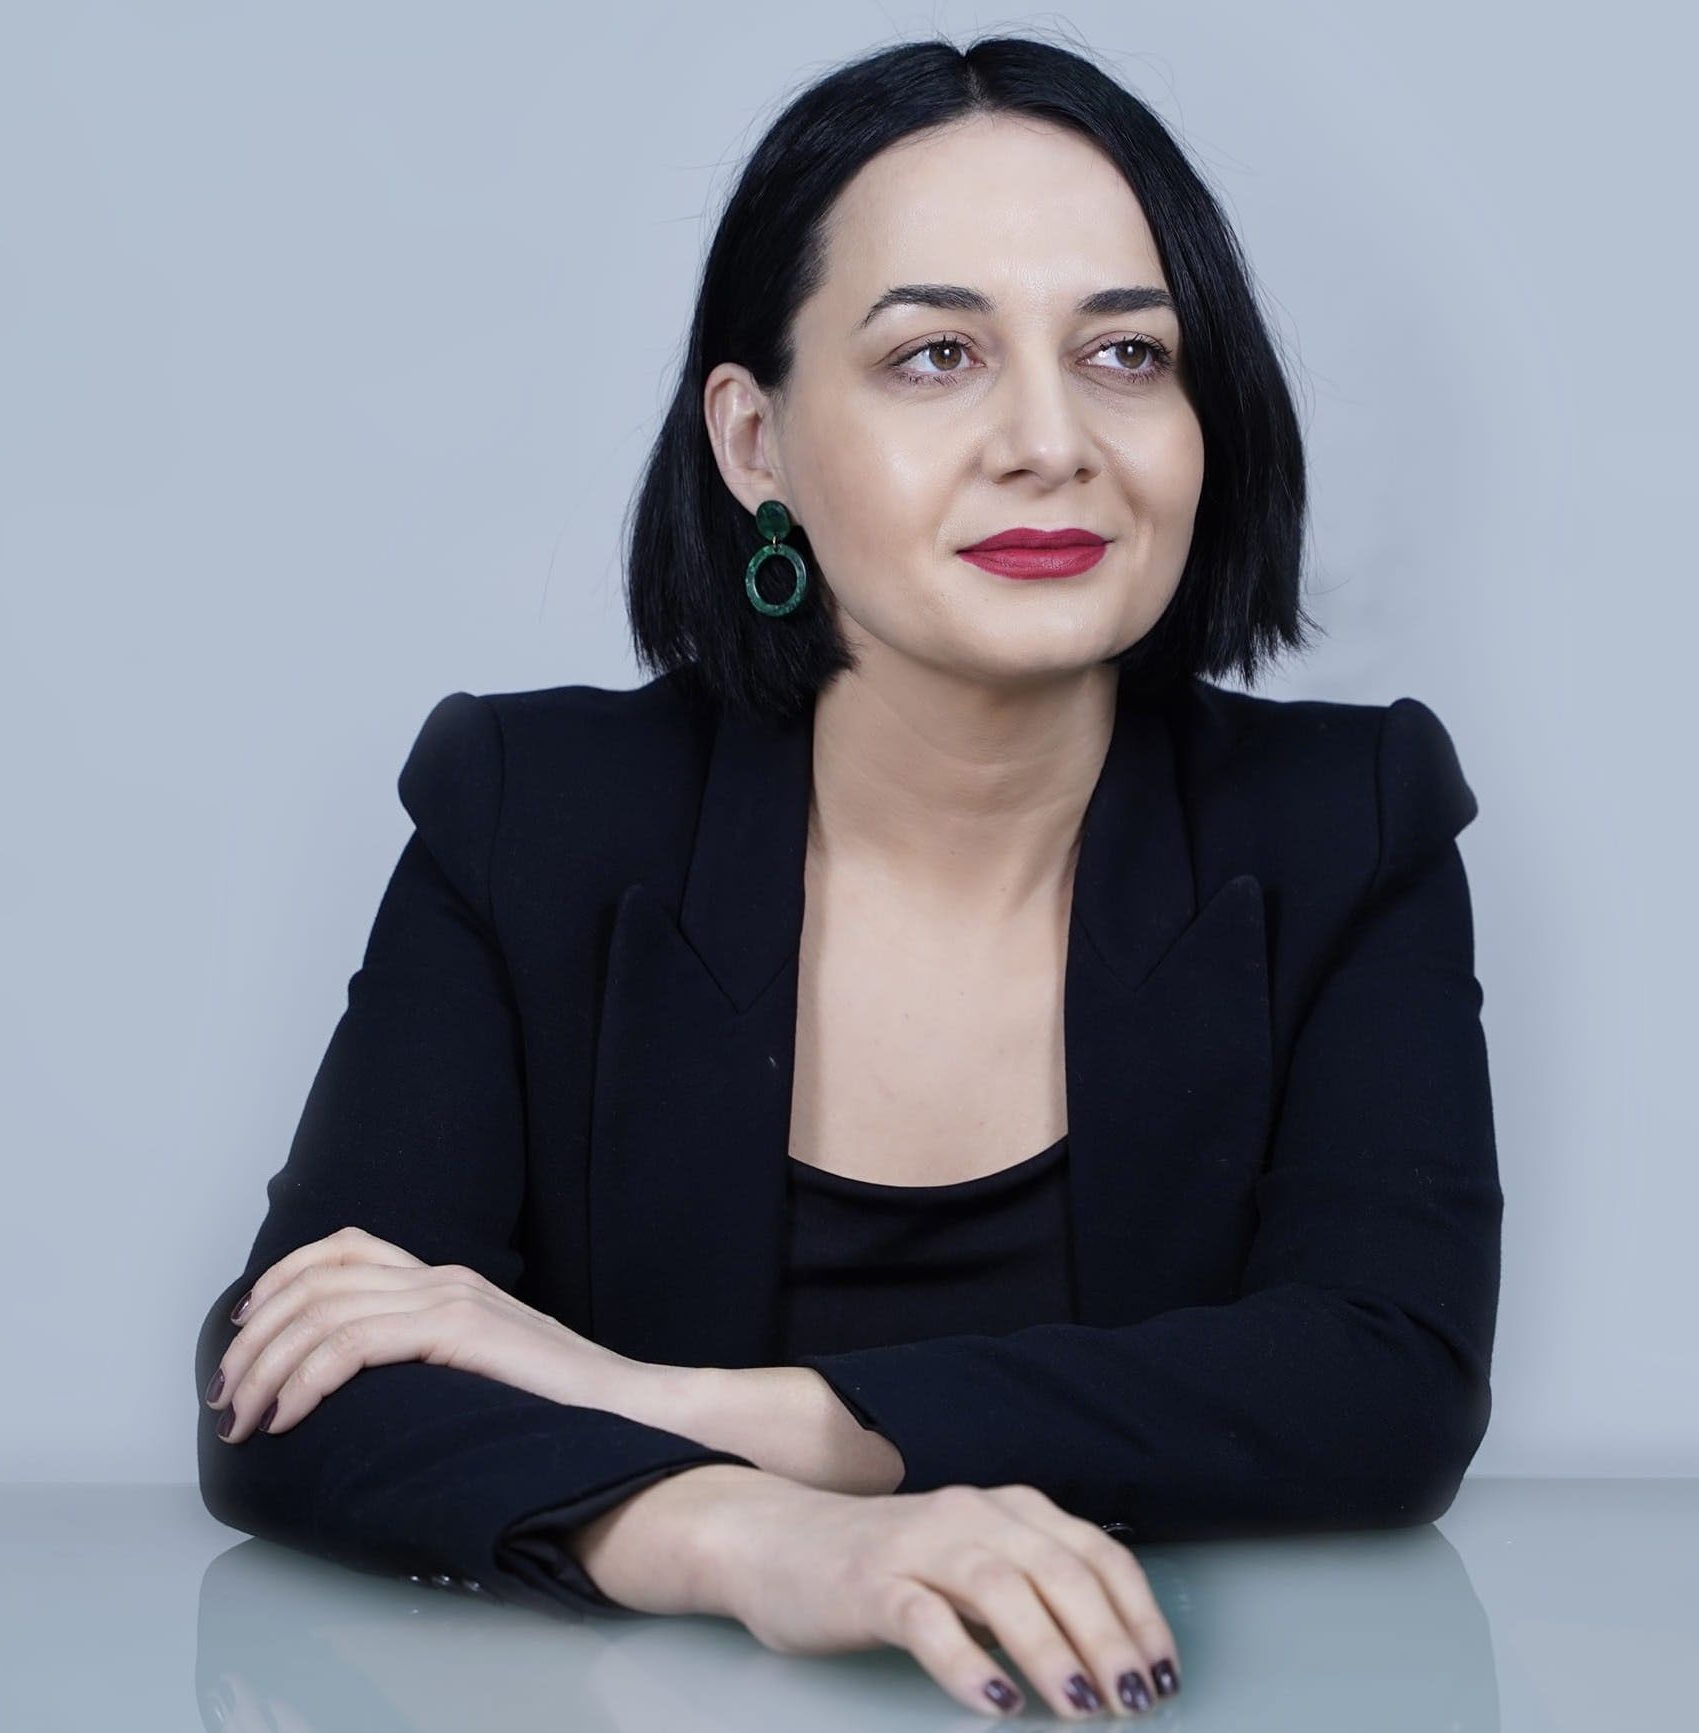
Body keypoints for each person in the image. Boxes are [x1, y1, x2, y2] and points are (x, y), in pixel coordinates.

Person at [190, 32, 1499, 1721]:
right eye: (935, 354)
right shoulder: (535, 814)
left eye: (1125, 352)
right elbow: (291, 1373)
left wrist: (715, 1407)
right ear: (755, 441)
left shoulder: (1346, 823)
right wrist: (755, 1537)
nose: (1049, 440)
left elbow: (1382, 1385)